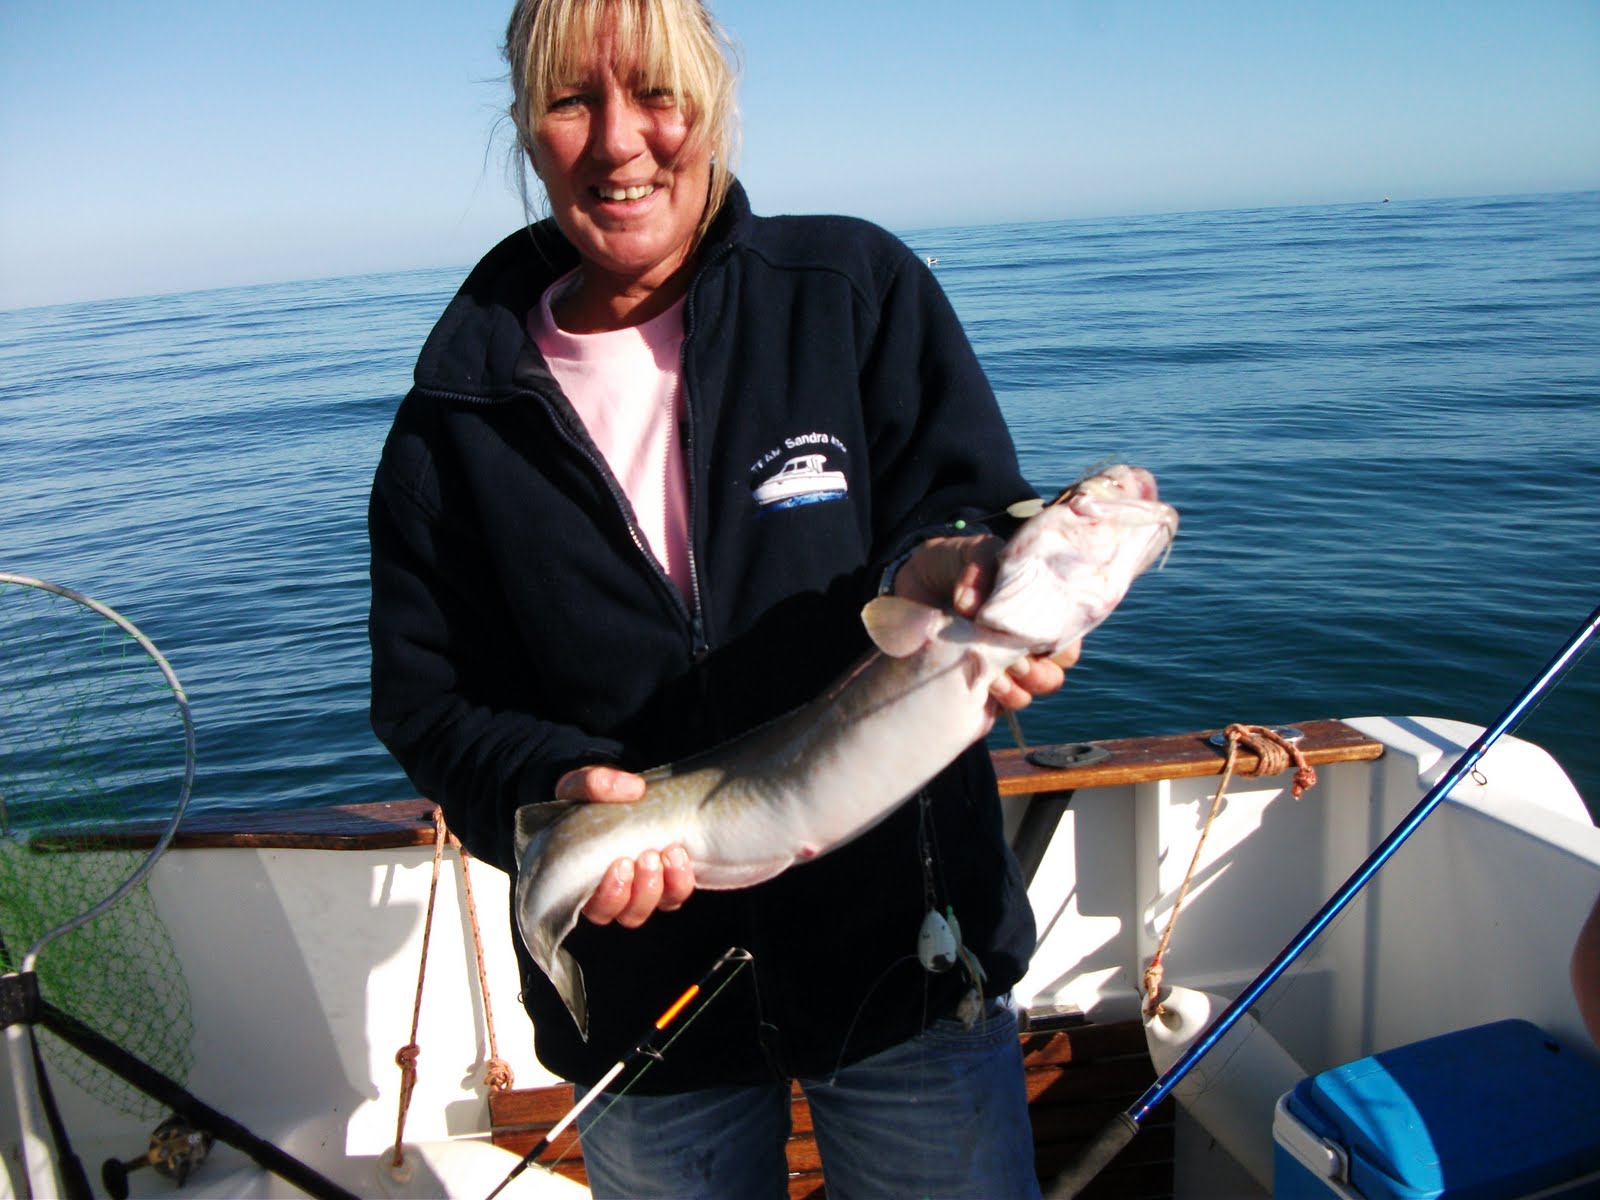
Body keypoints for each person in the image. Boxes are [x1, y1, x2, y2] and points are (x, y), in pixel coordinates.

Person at [367, 1, 1076, 1195]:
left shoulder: (851, 287)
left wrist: (948, 565)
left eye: (655, 92)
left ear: (716, 103)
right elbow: (429, 704)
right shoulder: (456, 417)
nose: (619, 141)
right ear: (525, 132)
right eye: (569, 101)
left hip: (907, 961)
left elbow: (963, 509)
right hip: (644, 1003)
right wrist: (552, 788)